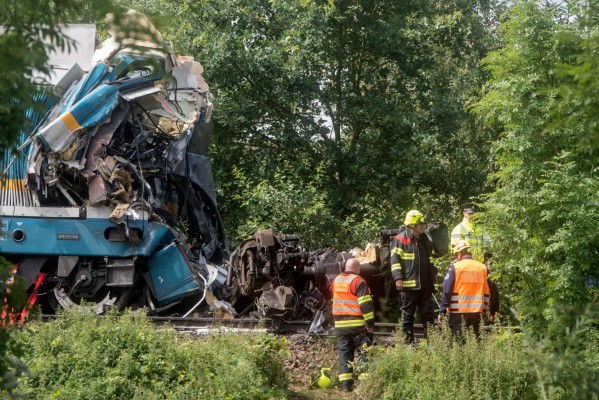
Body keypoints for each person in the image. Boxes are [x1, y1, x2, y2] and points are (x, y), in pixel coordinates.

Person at [390, 209, 437, 344]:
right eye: (420, 224)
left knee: (428, 316)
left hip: (425, 285)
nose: (423, 226)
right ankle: (408, 343)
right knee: (408, 317)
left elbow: (431, 258)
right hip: (408, 286)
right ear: (412, 226)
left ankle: (430, 343)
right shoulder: (400, 239)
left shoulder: (424, 240)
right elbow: (395, 261)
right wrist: (398, 277)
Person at [437, 240, 499, 338]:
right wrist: (493, 311)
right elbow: (494, 291)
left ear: (459, 255)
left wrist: (442, 310)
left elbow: (447, 290)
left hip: (457, 312)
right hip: (478, 312)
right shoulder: (483, 268)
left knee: (456, 342)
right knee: (476, 342)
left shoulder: (455, 268)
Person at [331, 258, 374, 392]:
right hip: (358, 326)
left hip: (340, 327)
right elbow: (365, 305)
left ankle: (345, 387)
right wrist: (370, 323)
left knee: (345, 355)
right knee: (364, 354)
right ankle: (364, 387)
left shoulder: (336, 281)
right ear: (357, 269)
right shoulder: (358, 281)